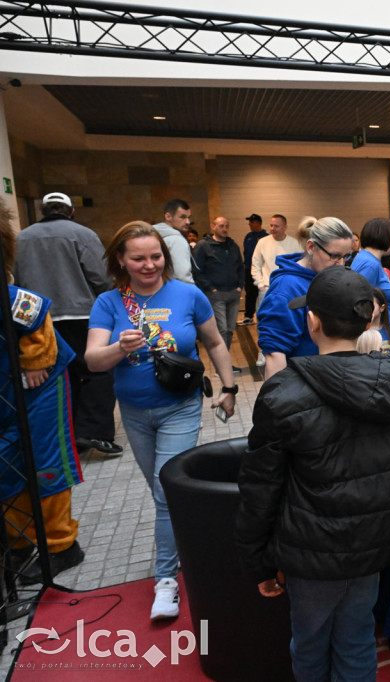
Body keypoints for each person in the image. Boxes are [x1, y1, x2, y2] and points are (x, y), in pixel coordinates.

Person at [235, 266, 390, 682]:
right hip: (372, 543)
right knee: (358, 634)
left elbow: (260, 488)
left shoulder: (283, 392)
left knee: (309, 640)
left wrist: (258, 561)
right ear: (370, 320)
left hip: (310, 552)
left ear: (312, 321)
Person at [86, 221, 236, 621]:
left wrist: (230, 387)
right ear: (121, 259)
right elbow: (92, 360)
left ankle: (166, 579)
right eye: (138, 258)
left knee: (164, 491)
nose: (149, 265)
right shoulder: (108, 303)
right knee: (165, 491)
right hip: (134, 414)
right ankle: (192, 543)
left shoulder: (188, 294)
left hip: (181, 406)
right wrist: (119, 346)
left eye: (155, 257)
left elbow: (215, 341)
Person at [0, 200, 85, 582]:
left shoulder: (10, 293)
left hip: (38, 385)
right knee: (5, 461)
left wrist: (35, 359)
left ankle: (59, 543)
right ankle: (17, 540)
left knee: (43, 458)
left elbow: (33, 312)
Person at [14, 191, 120, 456]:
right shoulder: (82, 234)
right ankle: (95, 433)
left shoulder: (20, 238)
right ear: (71, 210)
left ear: (43, 210)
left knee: (58, 378)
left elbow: (14, 279)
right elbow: (102, 277)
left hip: (38, 319)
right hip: (80, 315)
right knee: (96, 371)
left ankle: (67, 435)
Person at [256, 216, 356, 379]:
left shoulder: (328, 276)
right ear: (311, 247)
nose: (341, 264)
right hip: (302, 390)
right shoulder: (286, 289)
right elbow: (275, 356)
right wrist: (279, 402)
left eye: (346, 257)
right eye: (335, 256)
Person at [192, 216, 244, 354]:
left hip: (233, 293)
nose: (225, 229)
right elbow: (197, 270)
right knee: (222, 329)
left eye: (227, 226)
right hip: (216, 294)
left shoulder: (233, 246)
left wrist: (240, 286)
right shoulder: (203, 245)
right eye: (221, 226)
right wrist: (211, 288)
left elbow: (240, 267)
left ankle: (224, 361)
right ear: (213, 226)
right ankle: (221, 364)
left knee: (230, 329)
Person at [350, 218, 390, 335]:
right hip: (376, 333)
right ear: (384, 238)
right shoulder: (370, 265)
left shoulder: (368, 259)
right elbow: (359, 301)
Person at [251, 214, 301, 317]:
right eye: (271, 225)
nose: (272, 228)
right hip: (266, 288)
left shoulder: (295, 244)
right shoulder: (262, 242)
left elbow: (300, 267)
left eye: (276, 226)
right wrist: (260, 284)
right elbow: (255, 264)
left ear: (285, 227)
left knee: (285, 317)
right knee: (263, 318)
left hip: (287, 289)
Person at [152, 199, 195, 284]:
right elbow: (182, 277)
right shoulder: (177, 241)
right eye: (182, 217)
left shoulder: (149, 234)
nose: (188, 222)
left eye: (189, 217)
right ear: (168, 216)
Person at [241, 213, 268, 324]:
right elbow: (245, 252)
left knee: (263, 293)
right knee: (250, 294)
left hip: (262, 271)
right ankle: (249, 316)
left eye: (251, 222)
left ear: (257, 223)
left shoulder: (266, 236)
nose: (249, 224)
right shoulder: (248, 236)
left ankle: (265, 316)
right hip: (248, 269)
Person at [370, 287, 390, 353]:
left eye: (372, 306)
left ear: (382, 308)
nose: (368, 309)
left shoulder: (389, 329)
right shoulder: (361, 331)